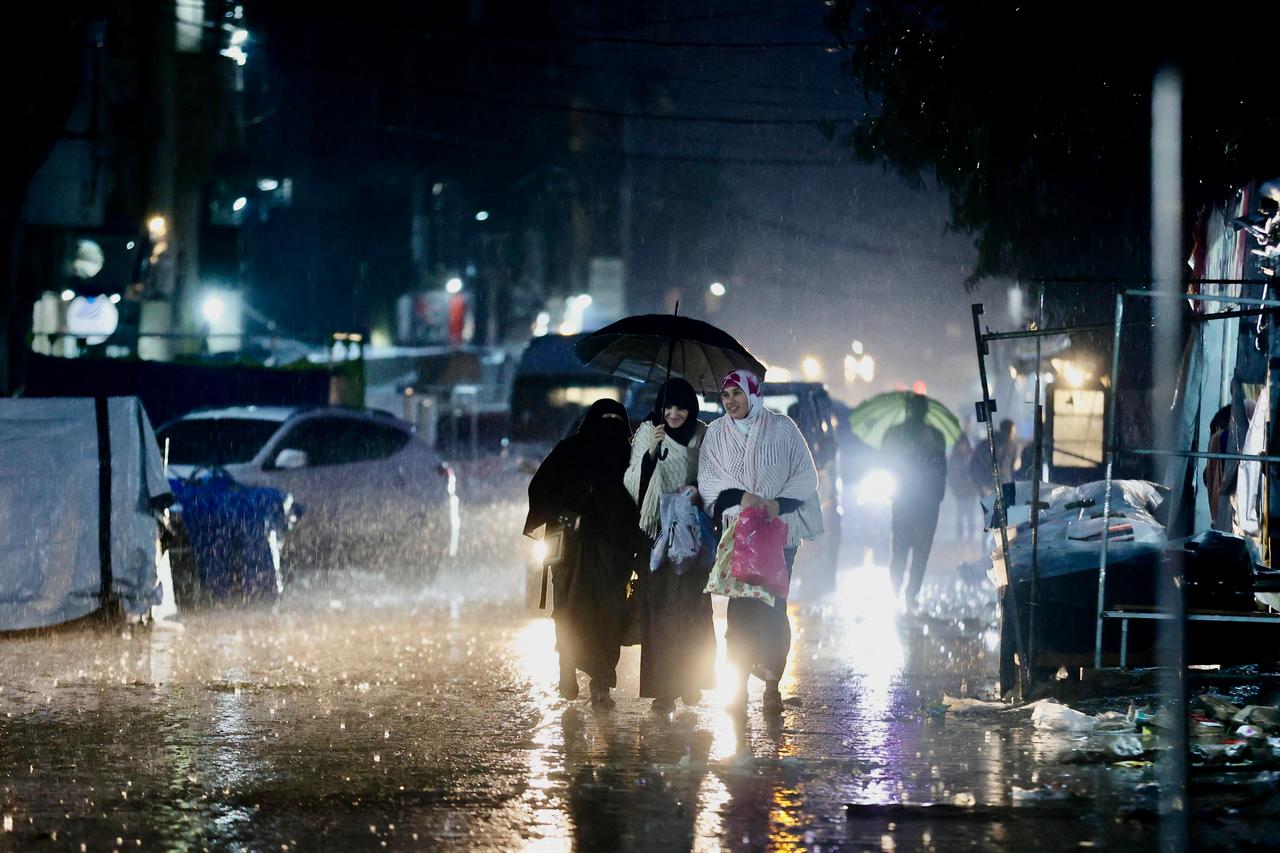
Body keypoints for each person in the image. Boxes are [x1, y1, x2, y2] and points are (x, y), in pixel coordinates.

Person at [699, 369, 819, 715]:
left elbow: (804, 476)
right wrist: (741, 497)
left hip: (780, 536)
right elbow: (709, 480)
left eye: (737, 394)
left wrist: (776, 504)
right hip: (738, 535)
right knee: (739, 613)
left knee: (772, 609)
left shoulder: (783, 430)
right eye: (726, 395)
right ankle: (737, 686)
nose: (731, 401)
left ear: (753, 394)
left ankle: (770, 684)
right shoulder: (717, 435)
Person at [524, 398, 645, 708]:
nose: (608, 430)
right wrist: (571, 508)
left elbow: (639, 499)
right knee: (568, 610)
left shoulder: (629, 456)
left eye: (614, 422)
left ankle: (601, 681)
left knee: (608, 615)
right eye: (602, 420)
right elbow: (542, 489)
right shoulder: (570, 452)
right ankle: (569, 667)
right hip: (570, 550)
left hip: (612, 551)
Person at [623, 378, 716, 714]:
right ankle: (663, 690)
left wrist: (696, 490)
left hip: (689, 536)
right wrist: (650, 454)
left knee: (690, 613)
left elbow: (712, 478)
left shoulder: (702, 436)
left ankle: (690, 681)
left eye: (681, 407)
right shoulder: (649, 432)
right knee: (660, 614)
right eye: (669, 407)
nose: (674, 413)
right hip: (656, 535)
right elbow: (633, 481)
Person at [883, 394, 947, 610]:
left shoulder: (895, 435)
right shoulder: (936, 437)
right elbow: (941, 472)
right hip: (922, 503)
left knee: (902, 548)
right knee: (917, 551)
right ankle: (907, 593)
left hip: (909, 502)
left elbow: (887, 463)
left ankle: (899, 591)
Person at [947, 433, 981, 541]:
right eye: (961, 445)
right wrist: (955, 487)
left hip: (970, 491)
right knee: (960, 515)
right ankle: (960, 538)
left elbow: (976, 473)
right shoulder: (954, 459)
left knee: (971, 516)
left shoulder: (972, 457)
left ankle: (970, 537)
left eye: (965, 444)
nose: (963, 447)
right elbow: (951, 475)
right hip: (960, 491)